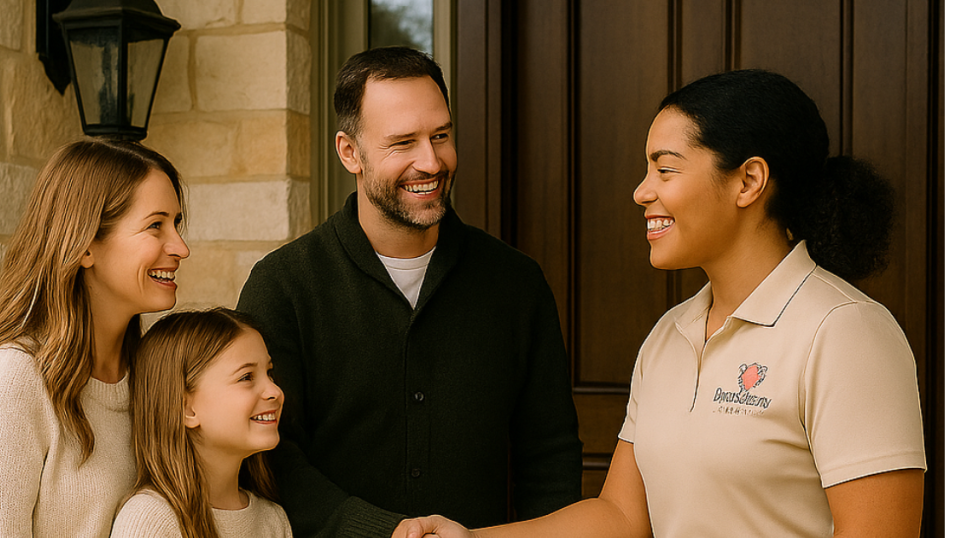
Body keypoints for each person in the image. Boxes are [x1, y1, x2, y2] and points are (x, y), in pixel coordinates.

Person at [394, 69, 927, 538]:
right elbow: (621, 518)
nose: (641, 192)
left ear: (748, 180)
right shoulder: (670, 335)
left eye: (665, 169)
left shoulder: (845, 332)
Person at [236, 46, 583, 537]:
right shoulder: (283, 287)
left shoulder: (516, 283)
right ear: (349, 152)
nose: (431, 161)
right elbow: (268, 456)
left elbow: (548, 454)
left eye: (440, 135)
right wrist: (379, 532)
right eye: (403, 142)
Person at [0, 138, 190, 537]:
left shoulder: (155, 376)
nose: (180, 247)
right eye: (155, 225)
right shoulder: (13, 384)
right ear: (85, 246)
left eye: (176, 224)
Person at [110, 308, 293, 538]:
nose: (274, 391)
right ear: (187, 408)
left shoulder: (272, 520)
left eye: (270, 373)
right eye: (246, 377)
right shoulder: (150, 519)